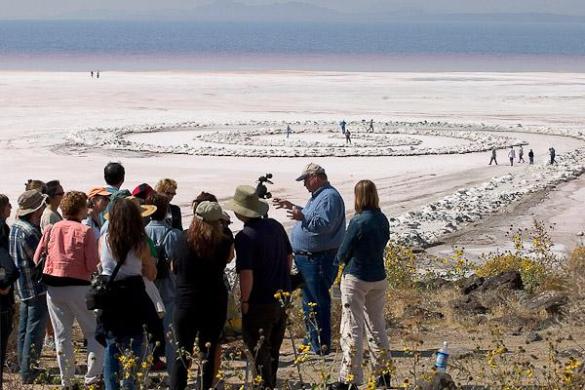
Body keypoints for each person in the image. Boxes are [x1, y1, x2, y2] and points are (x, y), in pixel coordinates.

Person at [273, 163, 345, 354]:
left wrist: (301, 216)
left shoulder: (329, 197)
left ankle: (321, 344)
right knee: (309, 302)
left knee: (319, 301)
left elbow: (324, 224)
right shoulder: (319, 196)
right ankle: (313, 340)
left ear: (316, 177)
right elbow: (312, 216)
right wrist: (293, 208)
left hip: (319, 259)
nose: (304, 184)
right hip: (309, 259)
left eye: (306, 179)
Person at [33, 191, 103, 388]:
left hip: (54, 286)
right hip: (80, 285)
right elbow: (92, 264)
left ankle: (68, 381)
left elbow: (37, 258)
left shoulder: (51, 228)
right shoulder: (85, 231)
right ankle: (92, 378)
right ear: (81, 209)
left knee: (62, 335)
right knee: (93, 332)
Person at [226, 186, 292, 389]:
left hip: (259, 301)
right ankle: (269, 384)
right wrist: (283, 280)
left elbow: (247, 273)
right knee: (273, 350)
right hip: (280, 296)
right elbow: (289, 257)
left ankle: (265, 386)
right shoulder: (276, 226)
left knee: (258, 351)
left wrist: (244, 300)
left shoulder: (244, 237)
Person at [329, 180, 391, 390]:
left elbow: (344, 251)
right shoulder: (382, 219)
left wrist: (337, 261)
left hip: (357, 276)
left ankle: (349, 379)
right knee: (377, 326)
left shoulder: (358, 221)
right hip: (378, 276)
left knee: (352, 327)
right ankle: (382, 374)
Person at [170, 201, 234, 390]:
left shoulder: (183, 239)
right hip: (213, 302)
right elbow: (229, 258)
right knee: (208, 351)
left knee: (182, 353)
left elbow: (174, 267)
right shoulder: (224, 241)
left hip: (186, 302)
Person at [98, 198, 157, 390]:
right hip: (133, 295)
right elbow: (150, 273)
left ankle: (111, 386)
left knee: (111, 343)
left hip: (110, 295)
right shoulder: (139, 243)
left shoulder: (104, 240)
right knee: (134, 341)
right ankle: (129, 384)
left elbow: (101, 266)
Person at [9, 190, 49, 383]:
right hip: (35, 286)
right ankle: (29, 371)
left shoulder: (16, 226)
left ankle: (23, 366)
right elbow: (40, 260)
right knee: (35, 330)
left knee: (25, 328)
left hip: (22, 286)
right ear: (36, 210)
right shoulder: (31, 232)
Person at [144, 193, 182, 374]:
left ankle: (146, 366)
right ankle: (173, 371)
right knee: (170, 335)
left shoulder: (142, 232)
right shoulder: (175, 234)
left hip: (148, 288)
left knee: (146, 333)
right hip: (170, 289)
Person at [0, 195, 19, 387]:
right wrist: (4, 283)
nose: (11, 207)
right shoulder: (2, 230)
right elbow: (10, 268)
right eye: (7, 205)